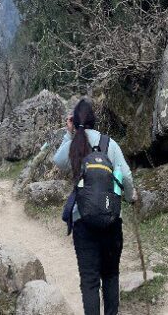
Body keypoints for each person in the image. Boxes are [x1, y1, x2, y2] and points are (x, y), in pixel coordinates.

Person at [53, 98, 134, 315]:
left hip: (83, 223)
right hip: (111, 221)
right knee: (110, 275)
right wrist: (131, 197)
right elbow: (126, 175)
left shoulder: (73, 146)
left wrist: (69, 133)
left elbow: (58, 161)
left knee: (89, 281)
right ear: (94, 120)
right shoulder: (109, 144)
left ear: (74, 121)